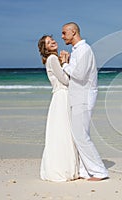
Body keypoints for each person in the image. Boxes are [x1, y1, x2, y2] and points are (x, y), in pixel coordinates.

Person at [60, 22, 108, 181]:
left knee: (81, 136)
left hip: (84, 98)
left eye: (64, 32)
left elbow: (79, 75)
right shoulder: (77, 51)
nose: (62, 36)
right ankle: (85, 171)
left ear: (73, 32)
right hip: (78, 97)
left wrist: (64, 64)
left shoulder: (84, 50)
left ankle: (100, 171)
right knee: (79, 135)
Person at [38, 35, 79, 182]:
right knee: (65, 130)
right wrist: (65, 62)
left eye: (52, 40)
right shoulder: (53, 59)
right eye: (48, 43)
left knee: (61, 131)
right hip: (62, 96)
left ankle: (66, 165)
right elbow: (65, 80)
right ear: (46, 48)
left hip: (59, 97)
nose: (53, 42)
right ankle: (65, 168)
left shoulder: (51, 59)